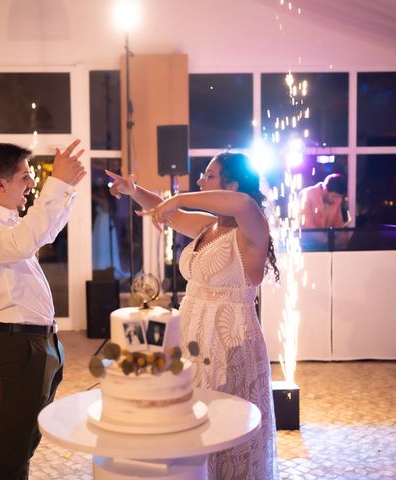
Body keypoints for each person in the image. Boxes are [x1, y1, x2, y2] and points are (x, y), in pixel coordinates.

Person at [107, 152, 279, 479]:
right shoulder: (208, 227)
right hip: (191, 336)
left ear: (231, 184)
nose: (200, 181)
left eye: (208, 176)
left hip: (229, 343)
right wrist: (135, 191)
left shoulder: (252, 227)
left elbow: (242, 203)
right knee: (190, 425)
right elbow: (169, 214)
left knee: (223, 427)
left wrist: (179, 197)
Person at [0, 140, 85, 480]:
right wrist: (56, 184)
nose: (31, 184)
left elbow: (44, 231)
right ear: (0, 184)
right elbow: (25, 242)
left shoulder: (8, 220)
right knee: (11, 450)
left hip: (41, 342)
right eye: (25, 177)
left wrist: (66, 189)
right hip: (20, 346)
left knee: (27, 443)